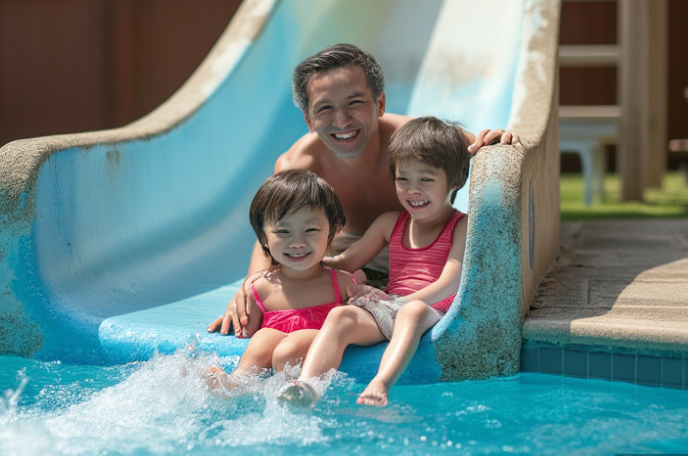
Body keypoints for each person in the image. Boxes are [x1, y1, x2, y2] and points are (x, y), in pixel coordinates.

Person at [207, 43, 516, 338]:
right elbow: (272, 232)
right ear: (308, 119)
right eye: (324, 108)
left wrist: (494, 141)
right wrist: (250, 289)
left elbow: (481, 146)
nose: (341, 121)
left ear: (379, 104)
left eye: (355, 103)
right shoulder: (300, 164)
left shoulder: (417, 142)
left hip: (414, 257)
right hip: (342, 258)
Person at [277, 116, 469, 407]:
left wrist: (399, 302)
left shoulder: (461, 226)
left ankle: (381, 383)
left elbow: (450, 282)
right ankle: (308, 387)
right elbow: (344, 261)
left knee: (412, 311)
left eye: (425, 180)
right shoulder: (390, 223)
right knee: (341, 316)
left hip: (431, 310)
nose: (412, 190)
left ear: (455, 180)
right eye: (402, 179)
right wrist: (295, 260)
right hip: (391, 307)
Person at [205, 169, 358, 394]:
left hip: (315, 354)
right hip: (275, 360)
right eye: (283, 231)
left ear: (332, 232)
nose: (297, 242)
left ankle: (300, 387)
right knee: (264, 338)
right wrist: (233, 323)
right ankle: (238, 382)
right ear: (264, 237)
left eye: (310, 230)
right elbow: (245, 332)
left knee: (289, 349)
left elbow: (356, 329)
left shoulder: (341, 284)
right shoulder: (260, 288)